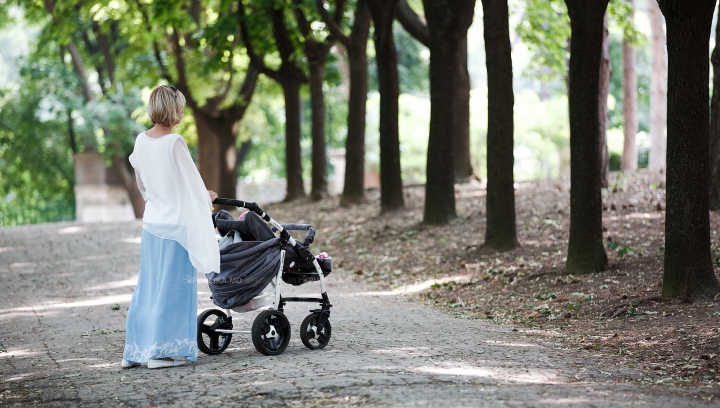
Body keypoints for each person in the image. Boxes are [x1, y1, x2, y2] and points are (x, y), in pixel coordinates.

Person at [121, 85, 220, 369]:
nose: (182, 112)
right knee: (173, 288)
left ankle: (135, 351)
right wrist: (207, 198)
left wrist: (158, 200)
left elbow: (143, 184)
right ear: (171, 109)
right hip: (176, 226)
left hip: (152, 223)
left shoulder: (141, 140)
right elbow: (191, 183)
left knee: (149, 286)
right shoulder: (174, 142)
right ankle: (160, 354)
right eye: (180, 107)